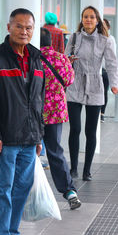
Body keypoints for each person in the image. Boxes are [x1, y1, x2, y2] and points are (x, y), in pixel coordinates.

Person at [0, 8, 45, 235]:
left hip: (29, 137)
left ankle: (12, 234)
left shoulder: (37, 58)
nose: (24, 31)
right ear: (9, 27)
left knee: (21, 188)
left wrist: (39, 135)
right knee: (2, 188)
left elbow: (39, 99)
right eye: (19, 26)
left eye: (28, 27)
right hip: (5, 138)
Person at [64, 5, 118, 181]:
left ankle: (86, 170)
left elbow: (112, 64)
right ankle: (73, 167)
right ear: (82, 19)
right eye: (85, 17)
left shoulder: (106, 40)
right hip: (75, 84)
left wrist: (114, 83)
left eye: (91, 17)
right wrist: (69, 61)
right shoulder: (73, 38)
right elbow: (64, 61)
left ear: (97, 20)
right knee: (75, 128)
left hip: (95, 84)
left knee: (91, 131)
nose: (88, 20)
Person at [39, 28, 81, 209]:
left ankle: (25, 190)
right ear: (51, 41)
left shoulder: (30, 58)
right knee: (55, 150)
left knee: (26, 151)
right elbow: (69, 80)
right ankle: (69, 191)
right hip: (55, 112)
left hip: (33, 111)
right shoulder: (61, 58)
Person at [100, 18, 117, 122]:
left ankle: (102, 113)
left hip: (104, 70)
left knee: (103, 92)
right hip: (96, 69)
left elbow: (112, 58)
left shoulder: (110, 39)